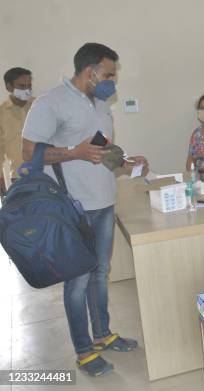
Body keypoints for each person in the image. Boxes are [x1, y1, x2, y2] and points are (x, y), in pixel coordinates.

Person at [21, 43, 148, 377]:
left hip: (104, 202)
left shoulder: (102, 103)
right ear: (89, 71)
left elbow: (99, 150)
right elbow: (30, 152)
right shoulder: (50, 102)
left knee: (100, 273)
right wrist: (72, 152)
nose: (112, 80)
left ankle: (103, 334)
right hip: (72, 208)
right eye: (108, 74)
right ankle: (83, 351)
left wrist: (126, 162)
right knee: (77, 282)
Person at [1, 67, 34, 193]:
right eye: (22, 86)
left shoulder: (40, 106)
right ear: (9, 87)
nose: (27, 90)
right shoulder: (2, 113)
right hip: (18, 176)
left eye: (29, 86)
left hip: (46, 173)